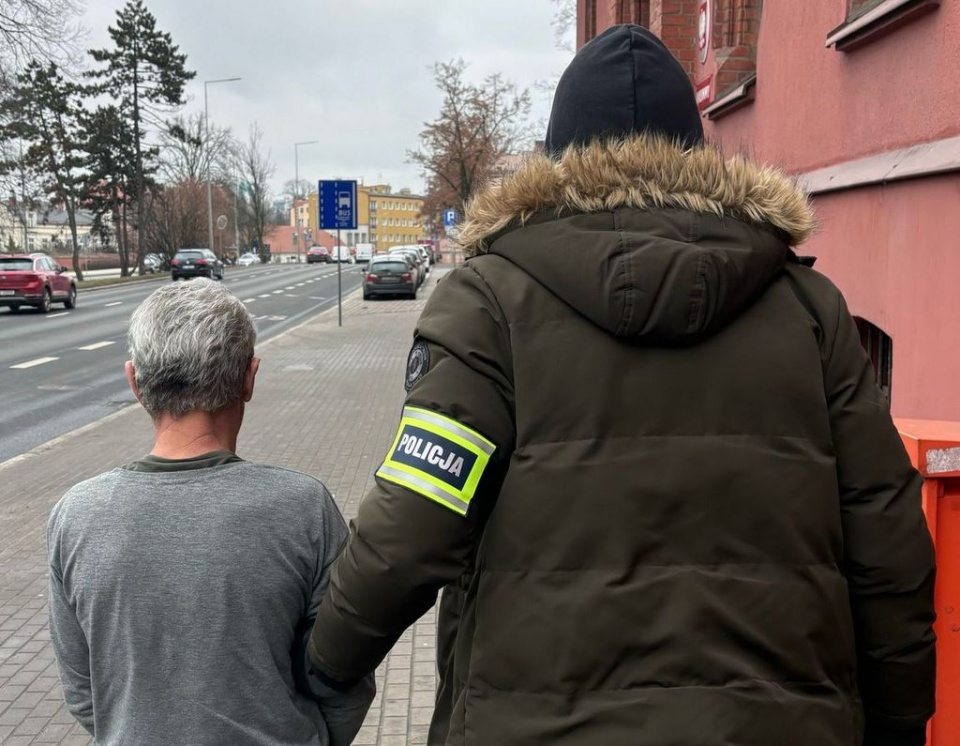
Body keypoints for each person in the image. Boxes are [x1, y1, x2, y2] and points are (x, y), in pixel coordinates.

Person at [305, 25, 935, 746]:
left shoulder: (489, 304)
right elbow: (889, 540)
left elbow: (413, 524)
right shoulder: (807, 310)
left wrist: (324, 663)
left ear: (556, 159)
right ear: (696, 155)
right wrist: (897, 721)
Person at [47, 278, 374, 745]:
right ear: (249, 378)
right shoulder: (303, 509)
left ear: (134, 382)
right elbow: (345, 675)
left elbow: (84, 693)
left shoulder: (75, 516)